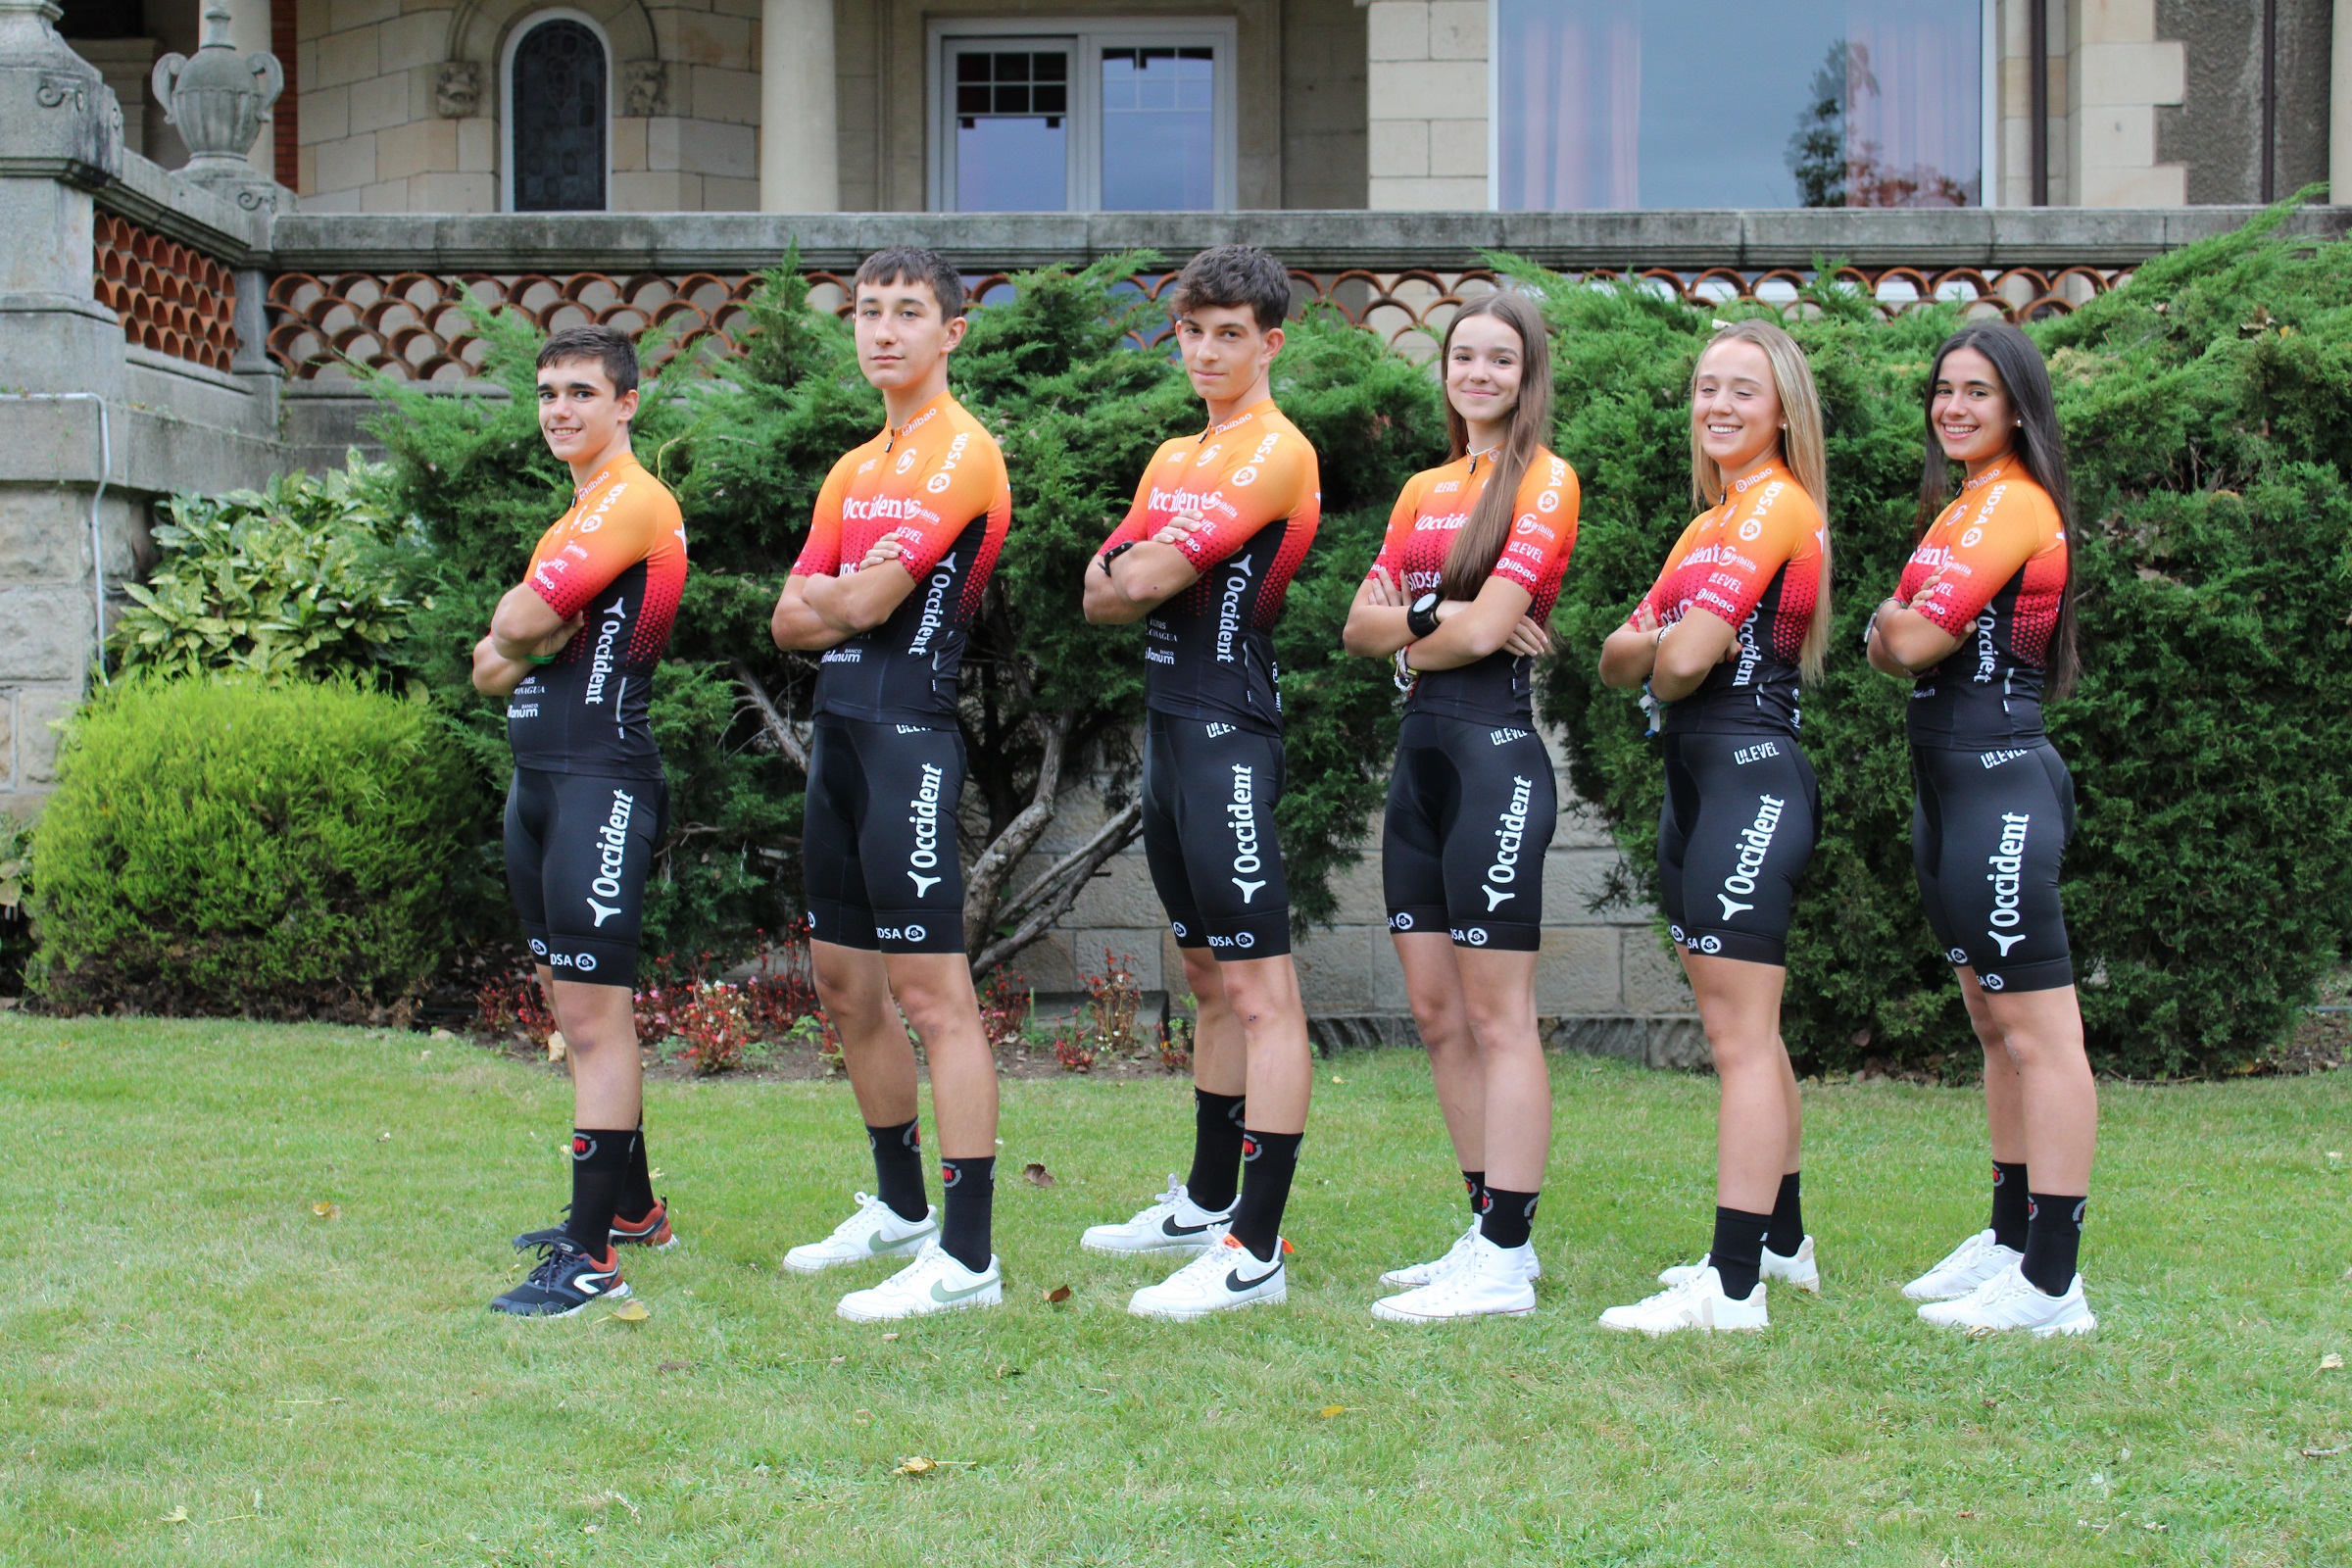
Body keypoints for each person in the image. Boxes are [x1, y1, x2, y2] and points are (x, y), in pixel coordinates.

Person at [1076, 244, 1322, 1319]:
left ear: (1271, 344)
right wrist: (1137, 562)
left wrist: (1144, 559)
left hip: (1228, 730)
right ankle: (1208, 1201)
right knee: (1208, 976)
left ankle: (1255, 1249)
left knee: (1262, 991)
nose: (1208, 351)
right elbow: (1100, 592)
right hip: (1169, 733)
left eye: (1231, 334)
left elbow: (1151, 573)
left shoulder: (1276, 451)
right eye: (1192, 331)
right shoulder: (1177, 455)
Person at [768, 247, 1013, 1322]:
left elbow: (863, 605)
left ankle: (969, 1256)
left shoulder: (962, 451)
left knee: (933, 996)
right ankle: (903, 1207)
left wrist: (840, 594)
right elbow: (787, 620)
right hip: (840, 741)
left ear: (950, 332)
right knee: (843, 984)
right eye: (869, 311)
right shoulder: (854, 469)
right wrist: (839, 594)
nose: (883, 330)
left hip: (910, 736)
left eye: (908, 312)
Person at [1339, 292, 1579, 1321]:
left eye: (1500, 359)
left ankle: (1509, 1256)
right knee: (1439, 1015)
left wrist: (1419, 628)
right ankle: (1483, 1229)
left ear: (1528, 377)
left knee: (1497, 1015)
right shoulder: (1423, 489)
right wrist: (1438, 619)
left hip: (1494, 763)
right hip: (1421, 763)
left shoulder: (1546, 480)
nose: (1479, 374)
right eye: (1464, 356)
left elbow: (1487, 636)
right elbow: (1357, 628)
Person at [1594, 318, 1831, 1335]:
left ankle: (1732, 1286)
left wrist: (1664, 643)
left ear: (1783, 409)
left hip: (1748, 779)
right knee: (1747, 1033)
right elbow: (1617, 659)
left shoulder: (1774, 505)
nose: (1720, 406)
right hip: (1697, 782)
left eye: (1744, 389)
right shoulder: (1707, 525)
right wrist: (1661, 644)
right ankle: (1781, 1243)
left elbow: (1681, 658)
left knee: (1739, 1038)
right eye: (1706, 387)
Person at [1865, 319, 2096, 1337]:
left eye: (1978, 392)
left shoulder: (2015, 504)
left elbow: (1910, 637)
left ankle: (2053, 1283)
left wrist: (1894, 620)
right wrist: (1896, 625)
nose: (1954, 407)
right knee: (1994, 1024)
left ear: (2017, 406)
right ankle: (2009, 1242)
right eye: (1945, 389)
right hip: (1950, 786)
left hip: (2000, 783)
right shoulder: (1962, 506)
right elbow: (1896, 639)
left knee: (2041, 1035)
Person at [472, 324, 688, 1317]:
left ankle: (593, 1257)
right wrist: (527, 626)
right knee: (572, 1006)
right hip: (538, 785)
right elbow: (489, 666)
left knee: (597, 1019)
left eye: (582, 393)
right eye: (548, 393)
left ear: (626, 404)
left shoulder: (634, 501)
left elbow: (516, 628)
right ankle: (631, 1210)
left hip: (600, 779)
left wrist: (530, 625)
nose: (560, 410)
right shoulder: (571, 522)